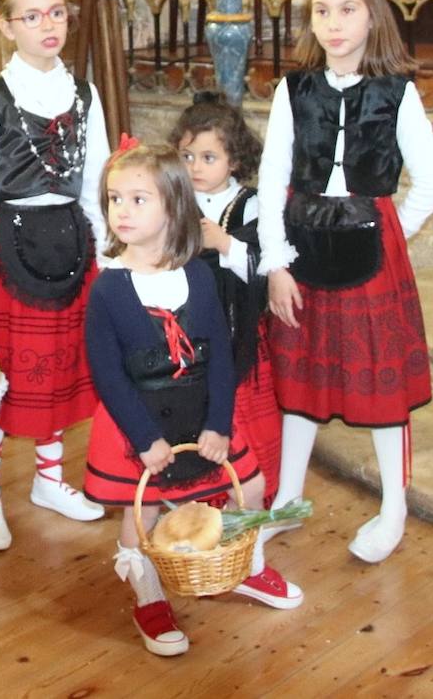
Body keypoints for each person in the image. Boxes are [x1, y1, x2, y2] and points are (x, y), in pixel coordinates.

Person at [257, 0, 433, 565]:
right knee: (300, 376)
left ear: (371, 16)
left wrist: (394, 232)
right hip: (302, 245)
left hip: (371, 247)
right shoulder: (294, 90)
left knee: (380, 380)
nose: (333, 24)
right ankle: (287, 497)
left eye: (347, 10)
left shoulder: (398, 92)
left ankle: (394, 504)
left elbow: (431, 183)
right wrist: (276, 262)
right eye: (321, 11)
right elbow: (271, 180)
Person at [84, 142, 301, 660]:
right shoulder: (108, 289)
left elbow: (221, 357)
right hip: (139, 422)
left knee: (251, 487)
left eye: (139, 199)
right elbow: (108, 375)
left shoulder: (200, 275)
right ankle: (148, 598)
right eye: (116, 199)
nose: (123, 210)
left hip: (201, 414)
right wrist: (144, 442)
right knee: (144, 515)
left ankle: (243, 568)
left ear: (175, 208)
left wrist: (220, 424)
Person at [0, 0, 109, 551]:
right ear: (7, 28)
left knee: (57, 367)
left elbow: (97, 183)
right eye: (32, 16)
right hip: (3, 249)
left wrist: (110, 256)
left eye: (57, 12)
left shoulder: (86, 95)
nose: (48, 25)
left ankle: (48, 480)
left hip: (70, 243)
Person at [172, 89, 281, 500]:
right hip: (187, 326)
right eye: (186, 157)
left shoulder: (249, 205)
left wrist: (225, 244)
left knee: (239, 406)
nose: (195, 167)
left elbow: (262, 266)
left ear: (234, 160)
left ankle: (249, 490)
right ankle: (198, 490)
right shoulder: (177, 199)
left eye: (208, 157)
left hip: (236, 329)